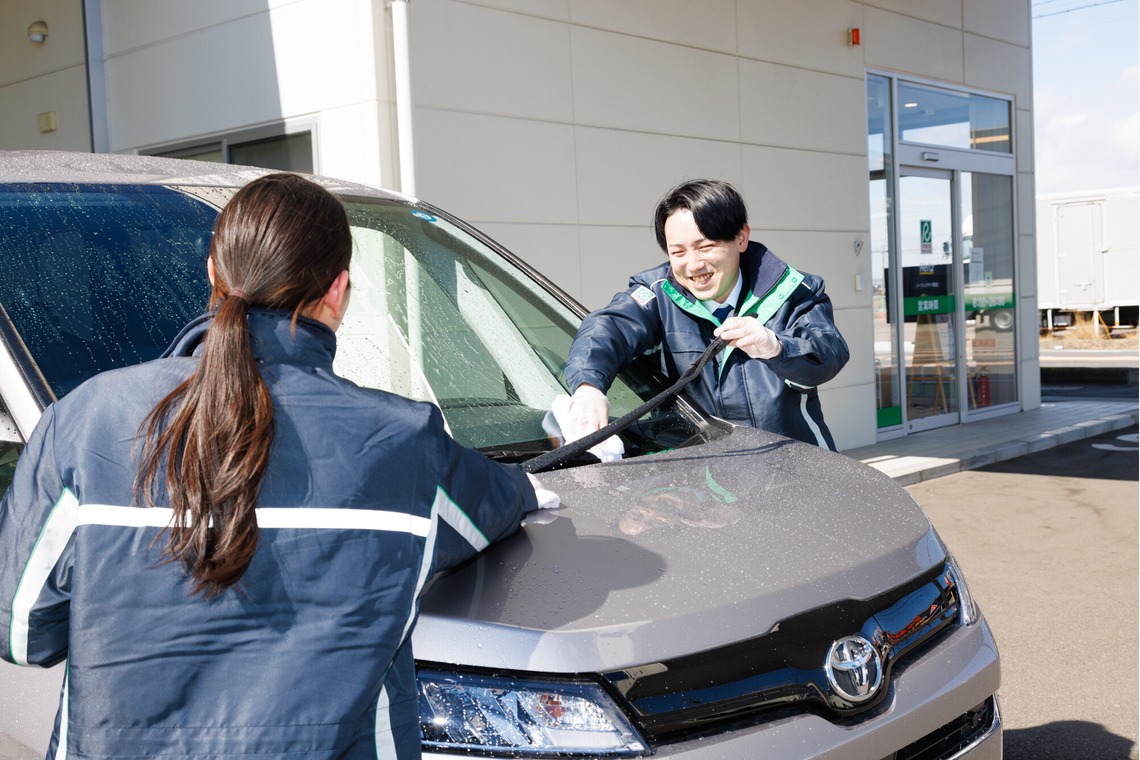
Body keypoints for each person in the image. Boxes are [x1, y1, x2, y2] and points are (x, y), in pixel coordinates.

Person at [0, 173, 555, 759]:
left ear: (211, 272)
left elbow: (21, 632)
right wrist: (531, 479)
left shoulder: (83, 421)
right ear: (338, 291)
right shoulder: (404, 443)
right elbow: (498, 500)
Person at [564, 179, 849, 450]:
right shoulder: (657, 294)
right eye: (678, 253)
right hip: (700, 470)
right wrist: (588, 387)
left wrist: (776, 347)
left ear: (741, 238)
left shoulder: (793, 290)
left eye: (705, 247)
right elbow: (607, 327)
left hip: (795, 463)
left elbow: (827, 355)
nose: (693, 265)